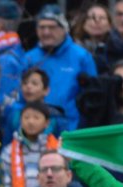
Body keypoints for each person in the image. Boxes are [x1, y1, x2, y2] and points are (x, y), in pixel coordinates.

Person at [21, 5, 98, 133]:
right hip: (34, 130)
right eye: (42, 27)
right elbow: (19, 94)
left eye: (52, 27)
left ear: (64, 29)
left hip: (71, 129)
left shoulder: (81, 57)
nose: (46, 32)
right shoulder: (29, 58)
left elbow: (93, 97)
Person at [0, 103, 59, 187]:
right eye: (26, 117)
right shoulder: (8, 152)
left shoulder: (56, 150)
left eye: (36, 117)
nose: (31, 122)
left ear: (47, 122)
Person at [74, 2, 112, 73]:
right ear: (83, 24)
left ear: (110, 25)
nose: (97, 21)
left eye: (102, 18)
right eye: (92, 18)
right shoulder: (74, 49)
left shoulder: (115, 48)